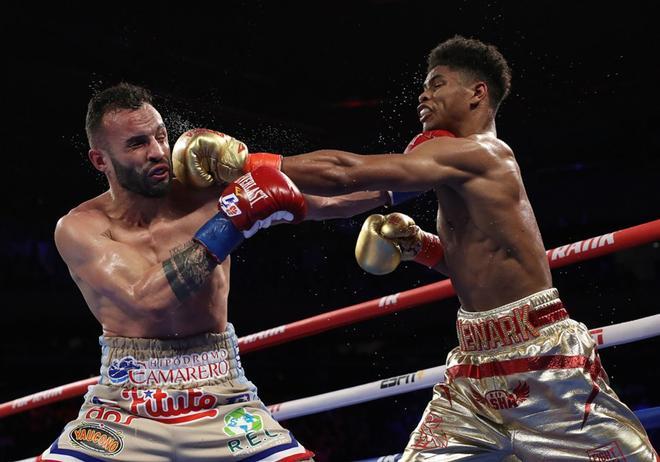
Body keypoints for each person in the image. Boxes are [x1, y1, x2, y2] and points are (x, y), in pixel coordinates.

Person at [178, 36, 658, 460]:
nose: (424, 94)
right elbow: (351, 199)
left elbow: (349, 168)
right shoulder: (442, 163)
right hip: (473, 368)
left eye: (438, 83)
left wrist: (247, 159)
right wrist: (417, 245)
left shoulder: (484, 154)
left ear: (477, 93)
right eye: (424, 86)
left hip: (545, 361)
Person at [41, 83, 389, 461]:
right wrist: (231, 221)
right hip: (126, 403)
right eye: (137, 144)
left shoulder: (207, 191)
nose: (158, 151)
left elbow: (330, 200)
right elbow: (145, 301)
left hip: (220, 389)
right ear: (100, 160)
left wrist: (410, 183)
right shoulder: (81, 227)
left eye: (160, 135)